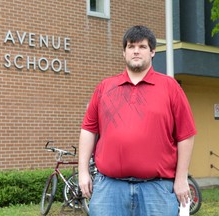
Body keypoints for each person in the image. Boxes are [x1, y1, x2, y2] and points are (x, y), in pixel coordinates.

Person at [78, 25, 197, 216]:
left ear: (152, 52)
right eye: (131, 46)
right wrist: (83, 172)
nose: (135, 51)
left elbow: (186, 135)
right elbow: (88, 130)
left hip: (156, 190)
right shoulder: (104, 88)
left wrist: (181, 178)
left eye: (142, 46)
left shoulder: (170, 87)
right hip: (109, 189)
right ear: (124, 52)